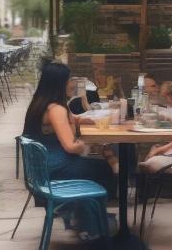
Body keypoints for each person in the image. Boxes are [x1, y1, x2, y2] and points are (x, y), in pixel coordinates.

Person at [22, 62, 116, 237]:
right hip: (56, 169)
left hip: (41, 169)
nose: (72, 84)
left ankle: (88, 216)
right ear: (59, 83)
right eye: (68, 81)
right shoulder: (56, 109)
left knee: (96, 168)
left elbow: (71, 119)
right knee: (103, 169)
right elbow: (71, 147)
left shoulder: (41, 103)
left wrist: (89, 120)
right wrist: (87, 144)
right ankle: (91, 222)